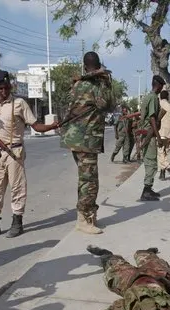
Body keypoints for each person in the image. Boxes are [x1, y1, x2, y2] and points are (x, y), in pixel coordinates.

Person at [0, 70, 58, 239]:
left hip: (14, 151)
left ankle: (17, 222)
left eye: (7, 87)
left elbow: (36, 125)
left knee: (17, 188)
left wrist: (52, 126)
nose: (4, 91)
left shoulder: (19, 103)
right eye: (1, 88)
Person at [61, 51, 115, 234]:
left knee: (85, 179)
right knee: (90, 181)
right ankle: (84, 219)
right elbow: (108, 105)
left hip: (74, 138)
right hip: (86, 139)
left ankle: (87, 215)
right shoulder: (95, 86)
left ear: (85, 67)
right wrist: (106, 81)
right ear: (98, 65)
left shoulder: (76, 85)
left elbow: (68, 103)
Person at [138, 75, 165, 201]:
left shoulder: (147, 97)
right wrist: (158, 137)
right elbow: (152, 118)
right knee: (151, 163)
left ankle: (148, 189)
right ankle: (146, 191)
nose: (161, 89)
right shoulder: (154, 97)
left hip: (145, 133)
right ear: (158, 85)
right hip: (150, 134)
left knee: (150, 161)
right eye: (162, 86)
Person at [157, 90, 170, 182]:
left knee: (160, 152)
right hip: (169, 132)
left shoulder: (159, 104)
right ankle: (162, 174)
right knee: (164, 152)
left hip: (161, 131)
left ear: (160, 97)